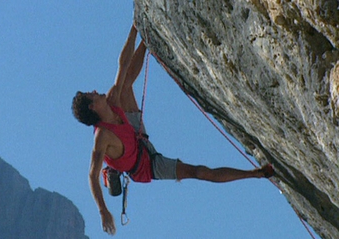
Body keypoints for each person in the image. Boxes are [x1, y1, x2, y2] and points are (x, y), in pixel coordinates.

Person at [71, 25, 274, 235]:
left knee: (124, 85)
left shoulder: (112, 101)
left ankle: (146, 41)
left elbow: (122, 66)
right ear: (92, 107)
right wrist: (103, 211)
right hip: (145, 166)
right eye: (91, 95)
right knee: (198, 172)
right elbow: (91, 176)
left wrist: (135, 29)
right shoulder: (102, 137)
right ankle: (256, 174)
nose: (95, 91)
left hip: (132, 134)